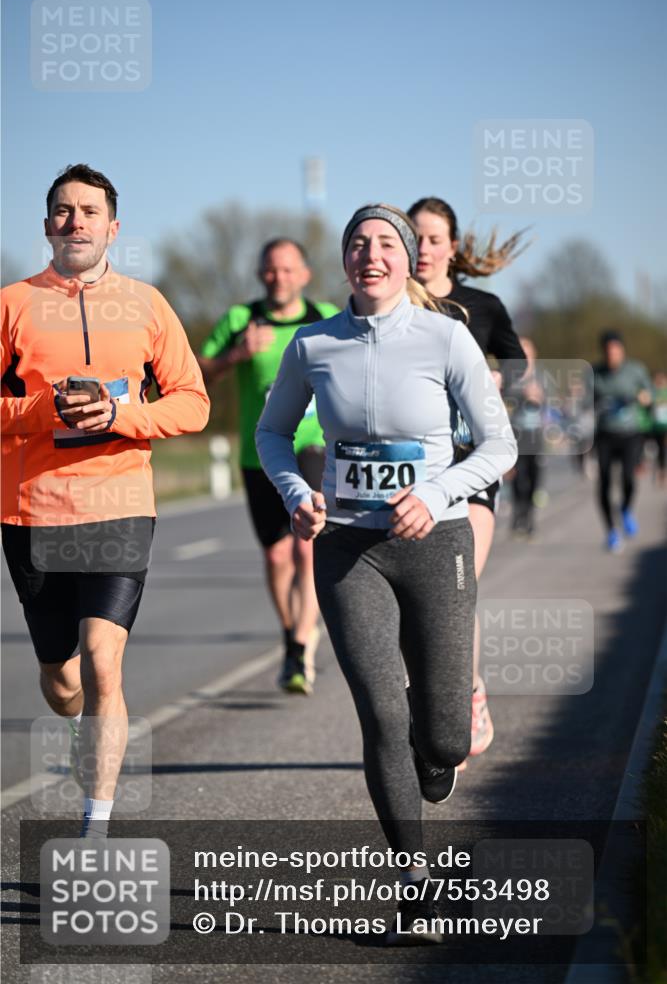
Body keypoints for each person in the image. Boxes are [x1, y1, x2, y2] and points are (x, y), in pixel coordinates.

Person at [256, 204, 517, 943]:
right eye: (357, 244)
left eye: (385, 244)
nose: (371, 254)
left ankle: (436, 754)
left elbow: (498, 448)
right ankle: (413, 882)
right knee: (380, 713)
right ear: (343, 260)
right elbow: (273, 432)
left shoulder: (446, 338)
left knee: (442, 738)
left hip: (437, 543)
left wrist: (435, 493)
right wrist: (297, 494)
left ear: (407, 261)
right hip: (346, 548)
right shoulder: (312, 345)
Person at [1, 163, 210, 837]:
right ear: (46, 226)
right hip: (33, 512)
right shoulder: (11, 305)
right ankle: (75, 729)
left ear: (112, 227)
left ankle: (95, 828)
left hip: (119, 505)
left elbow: (193, 403)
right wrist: (43, 412)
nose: (75, 221)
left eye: (89, 211)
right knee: (63, 681)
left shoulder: (147, 304)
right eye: (63, 210)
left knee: (102, 662)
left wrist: (120, 418)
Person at [407, 197, 528, 763]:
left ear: (453, 246)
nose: (425, 249)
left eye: (434, 239)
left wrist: (502, 384)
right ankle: (431, 700)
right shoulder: (388, 300)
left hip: (469, 463)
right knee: (416, 598)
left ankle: (467, 695)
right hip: (406, 472)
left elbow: (520, 366)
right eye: (417, 239)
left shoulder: (483, 306)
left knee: (458, 587)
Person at [198, 241, 338, 694]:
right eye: (270, 270)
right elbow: (195, 374)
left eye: (287, 269)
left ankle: (299, 647)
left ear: (305, 274)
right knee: (277, 555)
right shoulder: (241, 320)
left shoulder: (326, 315)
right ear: (261, 274)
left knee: (306, 546)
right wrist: (235, 355)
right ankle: (291, 629)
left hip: (313, 446)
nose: (279, 277)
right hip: (259, 452)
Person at [593, 330, 653, 551]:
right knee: (605, 483)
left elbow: (650, 395)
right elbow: (583, 401)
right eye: (608, 352)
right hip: (605, 435)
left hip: (630, 434)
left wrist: (644, 397)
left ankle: (626, 508)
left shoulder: (635, 370)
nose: (612, 355)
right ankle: (610, 531)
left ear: (622, 350)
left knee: (629, 478)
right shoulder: (595, 373)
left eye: (616, 351)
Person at [504, 337, 546, 537]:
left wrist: (539, 396)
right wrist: (523, 393)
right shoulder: (512, 375)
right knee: (517, 477)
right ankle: (517, 515)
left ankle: (529, 516)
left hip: (535, 434)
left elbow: (551, 400)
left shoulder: (542, 376)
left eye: (528, 352)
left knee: (534, 477)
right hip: (516, 432)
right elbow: (504, 398)